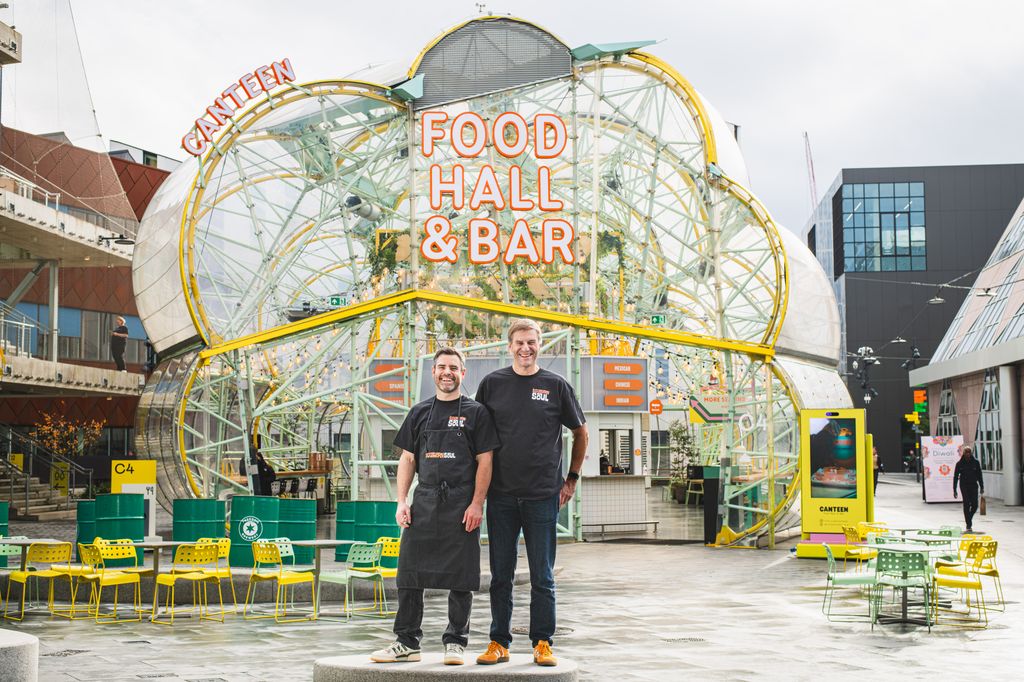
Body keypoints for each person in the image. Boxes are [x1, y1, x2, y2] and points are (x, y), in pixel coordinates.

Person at [370, 347, 499, 666]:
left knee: (461, 576)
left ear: (462, 373)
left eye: (453, 368)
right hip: (424, 502)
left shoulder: (476, 413)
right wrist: (401, 501)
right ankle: (406, 641)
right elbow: (408, 459)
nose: (447, 373)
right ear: (434, 372)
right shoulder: (419, 412)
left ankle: (456, 642)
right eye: (441, 367)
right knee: (409, 573)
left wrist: (476, 504)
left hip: (461, 505)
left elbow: (486, 461)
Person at [474, 319, 588, 668]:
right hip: (502, 497)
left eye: (532, 342)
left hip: (542, 496)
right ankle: (499, 642)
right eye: (520, 342)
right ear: (509, 346)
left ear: (541, 345)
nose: (526, 348)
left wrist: (571, 479)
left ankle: (542, 642)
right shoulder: (492, 384)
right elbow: (478, 438)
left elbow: (581, 433)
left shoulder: (556, 386)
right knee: (501, 575)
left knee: (543, 575)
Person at [953, 445, 984, 532]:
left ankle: (969, 518)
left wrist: (982, 486)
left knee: (975, 505)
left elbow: (979, 475)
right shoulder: (959, 464)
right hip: (964, 486)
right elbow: (955, 477)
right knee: (966, 504)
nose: (967, 454)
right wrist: (954, 489)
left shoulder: (976, 463)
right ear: (964, 453)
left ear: (971, 453)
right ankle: (968, 524)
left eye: (969, 453)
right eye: (966, 452)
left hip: (974, 485)